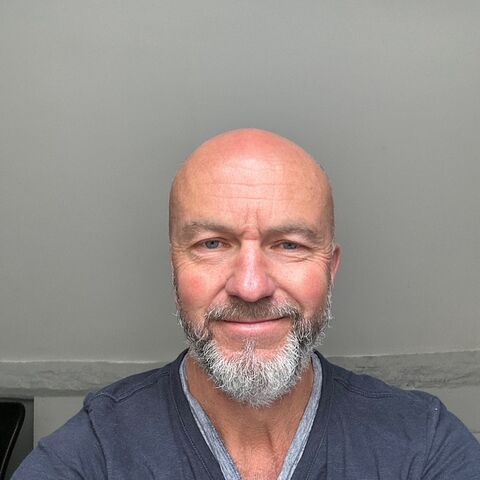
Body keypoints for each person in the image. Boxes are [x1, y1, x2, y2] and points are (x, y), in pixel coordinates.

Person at [13, 129, 480, 479]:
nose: (251, 287)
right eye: (212, 244)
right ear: (175, 266)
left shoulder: (424, 445)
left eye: (289, 244)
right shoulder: (93, 455)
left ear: (330, 268)